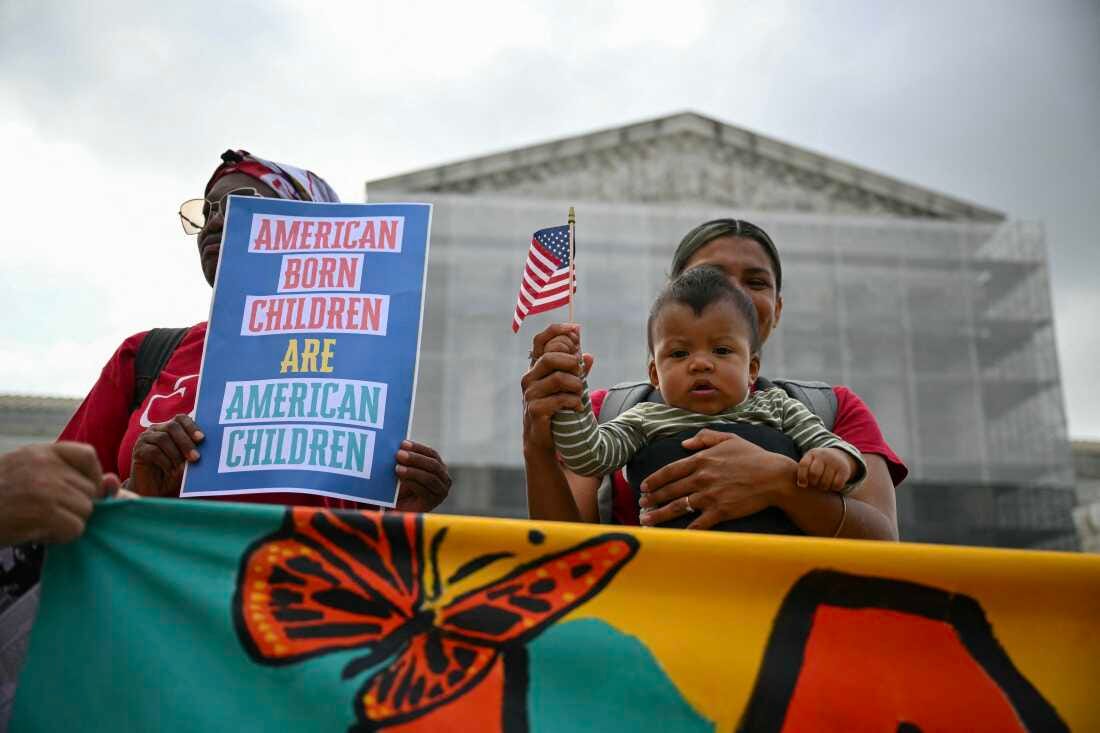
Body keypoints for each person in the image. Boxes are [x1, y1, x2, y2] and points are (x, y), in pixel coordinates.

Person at [59, 151, 451, 513]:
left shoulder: (361, 373)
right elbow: (52, 503)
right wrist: (137, 491)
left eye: (241, 205)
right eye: (207, 211)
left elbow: (351, 544)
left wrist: (401, 514)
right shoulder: (146, 355)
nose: (214, 223)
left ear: (315, 231)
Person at [522, 218, 904, 539]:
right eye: (710, 278)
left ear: (777, 308)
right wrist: (543, 436)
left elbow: (882, 544)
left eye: (756, 282)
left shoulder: (819, 409)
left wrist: (782, 482)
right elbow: (565, 541)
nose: (732, 294)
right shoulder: (620, 413)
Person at [549, 266, 866, 531]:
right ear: (655, 374)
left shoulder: (780, 407)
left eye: (722, 350)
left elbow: (834, 448)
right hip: (673, 572)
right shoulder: (642, 419)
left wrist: (836, 461)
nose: (700, 363)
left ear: (752, 369)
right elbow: (588, 456)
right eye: (679, 353)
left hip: (775, 571)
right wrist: (571, 395)